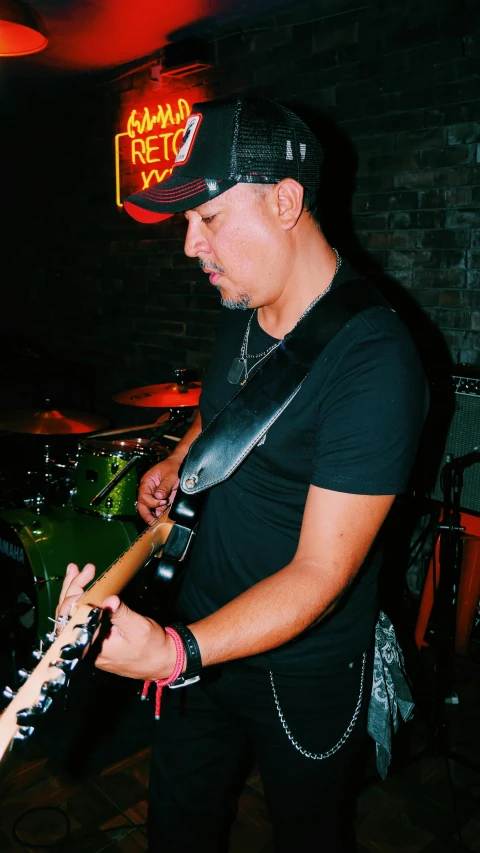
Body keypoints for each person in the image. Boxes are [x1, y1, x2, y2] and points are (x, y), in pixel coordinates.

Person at [58, 96, 428, 852]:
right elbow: (226, 404)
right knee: (179, 827)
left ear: (286, 200)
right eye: (188, 222)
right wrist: (179, 454)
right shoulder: (243, 295)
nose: (191, 245)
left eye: (210, 217)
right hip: (199, 627)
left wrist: (170, 652)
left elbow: (322, 572)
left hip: (301, 668)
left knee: (308, 835)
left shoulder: (375, 362)